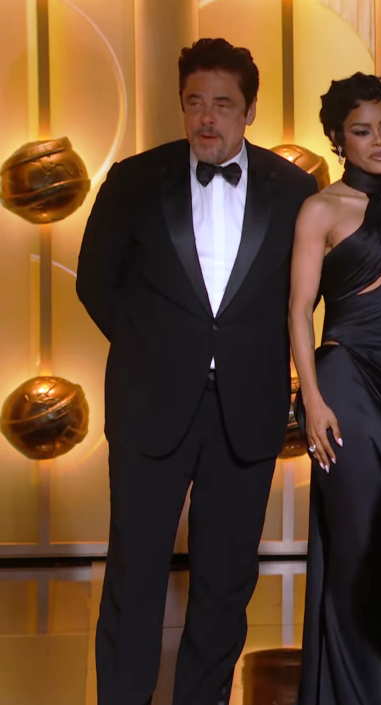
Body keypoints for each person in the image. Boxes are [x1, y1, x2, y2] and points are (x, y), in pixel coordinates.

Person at [75, 38, 317, 704]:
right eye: (194, 102)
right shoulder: (133, 179)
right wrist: (155, 350)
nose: (207, 118)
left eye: (223, 104)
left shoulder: (295, 189)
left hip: (249, 406)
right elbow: (95, 282)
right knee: (134, 576)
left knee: (225, 583)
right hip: (149, 401)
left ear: (250, 110)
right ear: (181, 105)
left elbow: (304, 295)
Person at [289, 73, 381, 704]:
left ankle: (373, 685)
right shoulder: (321, 209)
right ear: (337, 139)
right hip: (345, 380)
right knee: (354, 546)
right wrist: (312, 398)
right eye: (361, 131)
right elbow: (298, 310)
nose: (378, 141)